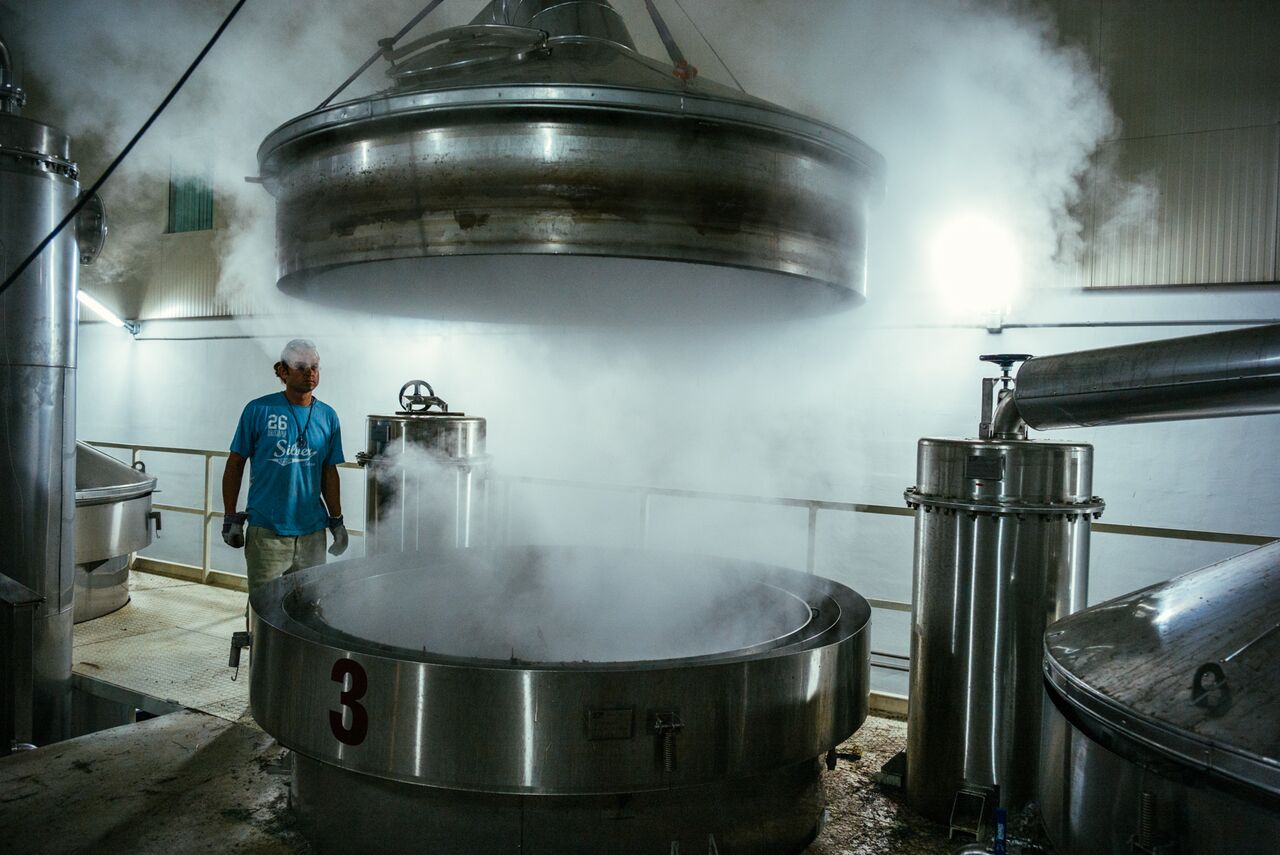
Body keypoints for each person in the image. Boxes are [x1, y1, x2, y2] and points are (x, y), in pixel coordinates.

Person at [221, 339, 348, 601]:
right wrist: (230, 517)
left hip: (312, 532)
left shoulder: (328, 416)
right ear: (282, 371)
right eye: (300, 366)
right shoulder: (258, 410)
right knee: (264, 607)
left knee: (309, 605)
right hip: (267, 532)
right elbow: (235, 463)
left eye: (314, 366)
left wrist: (336, 521)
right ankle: (257, 643)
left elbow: (329, 472)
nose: (310, 373)